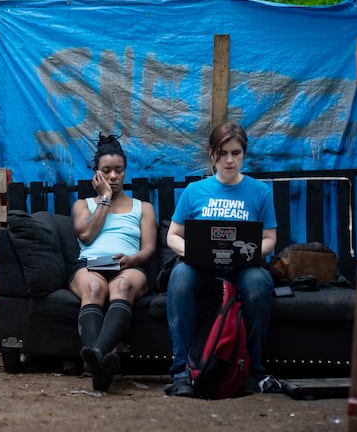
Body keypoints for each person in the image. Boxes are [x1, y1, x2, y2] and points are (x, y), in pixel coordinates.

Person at [163, 121, 281, 397]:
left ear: (244, 154)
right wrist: (191, 251)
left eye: (236, 153)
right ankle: (182, 373)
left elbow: (270, 239)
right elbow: (173, 235)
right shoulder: (195, 191)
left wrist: (249, 253)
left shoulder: (260, 192)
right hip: (203, 268)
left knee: (256, 281)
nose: (229, 160)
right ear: (212, 153)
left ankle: (254, 373)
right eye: (223, 152)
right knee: (180, 276)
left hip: (241, 268)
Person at [68, 132, 157, 391]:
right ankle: (102, 365)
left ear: (125, 172)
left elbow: (149, 248)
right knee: (95, 289)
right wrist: (104, 199)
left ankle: (96, 356)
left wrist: (132, 259)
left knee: (121, 288)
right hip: (89, 265)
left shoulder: (143, 208)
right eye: (106, 171)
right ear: (97, 174)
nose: (113, 176)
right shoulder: (83, 205)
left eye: (119, 170)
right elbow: (86, 234)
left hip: (128, 266)